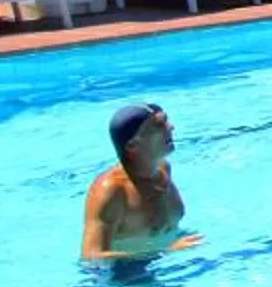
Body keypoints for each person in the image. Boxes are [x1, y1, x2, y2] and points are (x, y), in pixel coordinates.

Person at [81, 102, 201, 261]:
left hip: (169, 258)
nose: (170, 127)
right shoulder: (112, 190)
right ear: (132, 145)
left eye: (166, 121)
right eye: (158, 125)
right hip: (127, 275)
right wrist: (165, 250)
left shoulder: (163, 170)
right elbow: (92, 256)